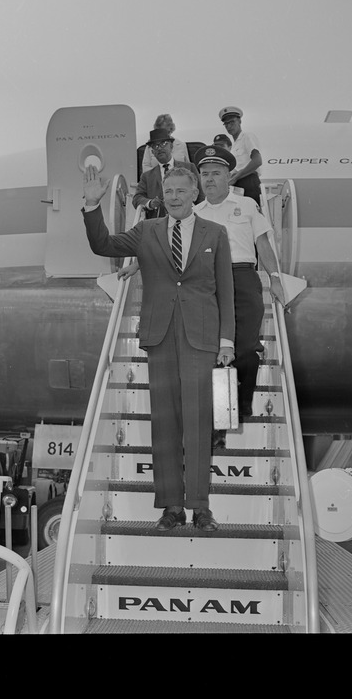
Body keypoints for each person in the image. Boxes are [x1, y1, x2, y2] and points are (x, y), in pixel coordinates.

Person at [83, 164, 235, 531]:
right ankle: (171, 507)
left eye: (182, 191)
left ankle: (200, 507)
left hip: (201, 337)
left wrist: (226, 341)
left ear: (195, 194)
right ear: (162, 196)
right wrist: (91, 206)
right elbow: (103, 244)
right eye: (169, 192)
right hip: (160, 336)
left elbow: (226, 290)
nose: (175, 197)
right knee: (165, 423)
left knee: (199, 423)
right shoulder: (146, 231)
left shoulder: (215, 233)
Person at [193, 144, 287, 449]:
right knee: (214, 353)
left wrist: (274, 278)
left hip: (243, 277)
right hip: (207, 283)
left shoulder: (246, 206)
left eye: (216, 173)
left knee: (246, 347)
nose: (209, 179)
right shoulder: (194, 214)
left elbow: (263, 245)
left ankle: (241, 406)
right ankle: (219, 425)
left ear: (228, 176)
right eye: (204, 174)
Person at [133, 128, 203, 219]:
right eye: (155, 146)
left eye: (163, 144)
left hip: (188, 220)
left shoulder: (189, 168)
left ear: (171, 146)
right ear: (152, 152)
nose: (160, 148)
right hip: (158, 224)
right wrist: (150, 203)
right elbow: (137, 198)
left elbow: (201, 196)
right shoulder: (146, 176)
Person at [218, 106, 263, 206]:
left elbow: (257, 161)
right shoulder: (234, 146)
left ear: (239, 121)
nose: (229, 126)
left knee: (251, 215)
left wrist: (236, 176)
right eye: (226, 124)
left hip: (248, 181)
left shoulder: (247, 136)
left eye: (232, 122)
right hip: (237, 185)